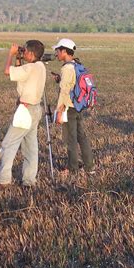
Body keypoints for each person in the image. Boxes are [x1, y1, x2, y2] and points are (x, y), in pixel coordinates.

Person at [0, 40, 46, 188]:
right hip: (36, 108)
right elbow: (20, 75)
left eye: (25, 52)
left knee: (8, 144)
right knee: (31, 146)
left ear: (30, 53)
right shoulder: (40, 66)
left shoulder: (30, 67)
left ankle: (4, 179)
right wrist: (19, 58)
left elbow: (7, 71)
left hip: (25, 110)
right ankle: (29, 180)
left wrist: (10, 55)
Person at [52, 38, 94, 175]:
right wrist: (60, 79)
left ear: (64, 51)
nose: (56, 53)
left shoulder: (67, 68)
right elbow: (72, 84)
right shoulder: (76, 64)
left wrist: (59, 110)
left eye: (58, 50)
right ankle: (89, 166)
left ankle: (72, 168)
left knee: (71, 138)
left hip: (69, 107)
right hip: (78, 106)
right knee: (82, 136)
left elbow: (64, 91)